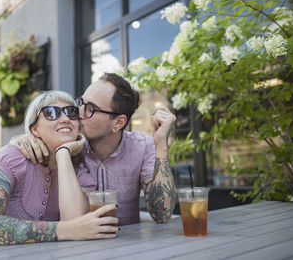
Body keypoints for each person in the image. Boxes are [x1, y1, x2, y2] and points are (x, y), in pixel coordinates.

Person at [0, 91, 119, 252]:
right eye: (51, 113)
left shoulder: (78, 172)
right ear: (35, 129)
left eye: (71, 112)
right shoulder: (12, 157)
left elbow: (76, 225)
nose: (65, 118)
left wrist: (63, 154)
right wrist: (63, 230)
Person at [11, 73, 177, 225]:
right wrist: (25, 139)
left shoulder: (142, 147)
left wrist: (161, 145)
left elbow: (161, 214)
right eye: (80, 102)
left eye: (91, 109)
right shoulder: (69, 144)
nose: (79, 112)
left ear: (118, 122)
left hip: (127, 245)